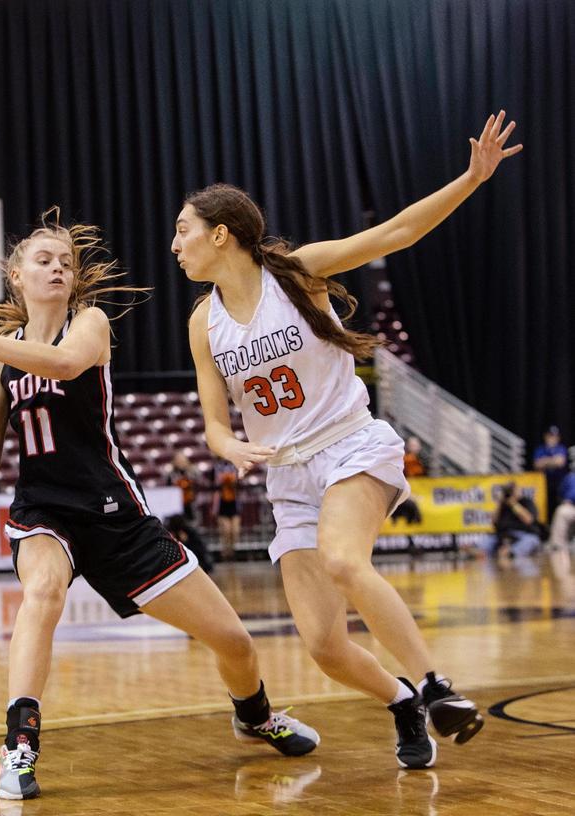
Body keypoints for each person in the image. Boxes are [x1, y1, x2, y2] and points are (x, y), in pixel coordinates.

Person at [0, 212, 318, 801]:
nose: (58, 268)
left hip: (114, 511)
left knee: (234, 642)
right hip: (44, 509)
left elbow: (64, 365)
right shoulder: (0, 359)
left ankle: (254, 716)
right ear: (17, 276)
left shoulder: (89, 323)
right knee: (42, 593)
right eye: (44, 260)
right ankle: (19, 745)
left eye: (66, 262)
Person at [177, 110, 521, 769]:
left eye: (183, 229)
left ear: (221, 235)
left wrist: (472, 179)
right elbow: (216, 423)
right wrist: (229, 447)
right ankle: (402, 701)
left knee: (343, 559)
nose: (175, 244)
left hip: (349, 444)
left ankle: (435, 686)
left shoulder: (296, 272)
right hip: (288, 474)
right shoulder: (203, 324)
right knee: (325, 648)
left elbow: (397, 231)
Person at [483, 482, 542, 560]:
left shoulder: (526, 502)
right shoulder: (503, 505)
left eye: (512, 491)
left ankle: (511, 553)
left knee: (531, 540)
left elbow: (528, 520)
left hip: (523, 533)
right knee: (485, 541)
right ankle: (479, 554)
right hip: (503, 534)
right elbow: (494, 522)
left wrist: (513, 503)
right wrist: (500, 503)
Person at [532, 426, 566, 517]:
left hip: (558, 483)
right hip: (543, 483)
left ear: (558, 438)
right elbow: (537, 464)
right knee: (543, 506)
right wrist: (553, 460)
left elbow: (560, 462)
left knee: (558, 506)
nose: (552, 438)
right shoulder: (540, 449)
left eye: (555, 436)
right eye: (550, 436)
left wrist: (545, 461)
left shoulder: (561, 448)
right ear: (545, 436)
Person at [213, 463, 241, 560]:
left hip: (234, 503)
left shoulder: (235, 466)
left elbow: (239, 482)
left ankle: (232, 550)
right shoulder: (217, 467)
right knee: (226, 530)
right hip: (222, 503)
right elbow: (214, 485)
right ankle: (226, 551)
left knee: (235, 530)